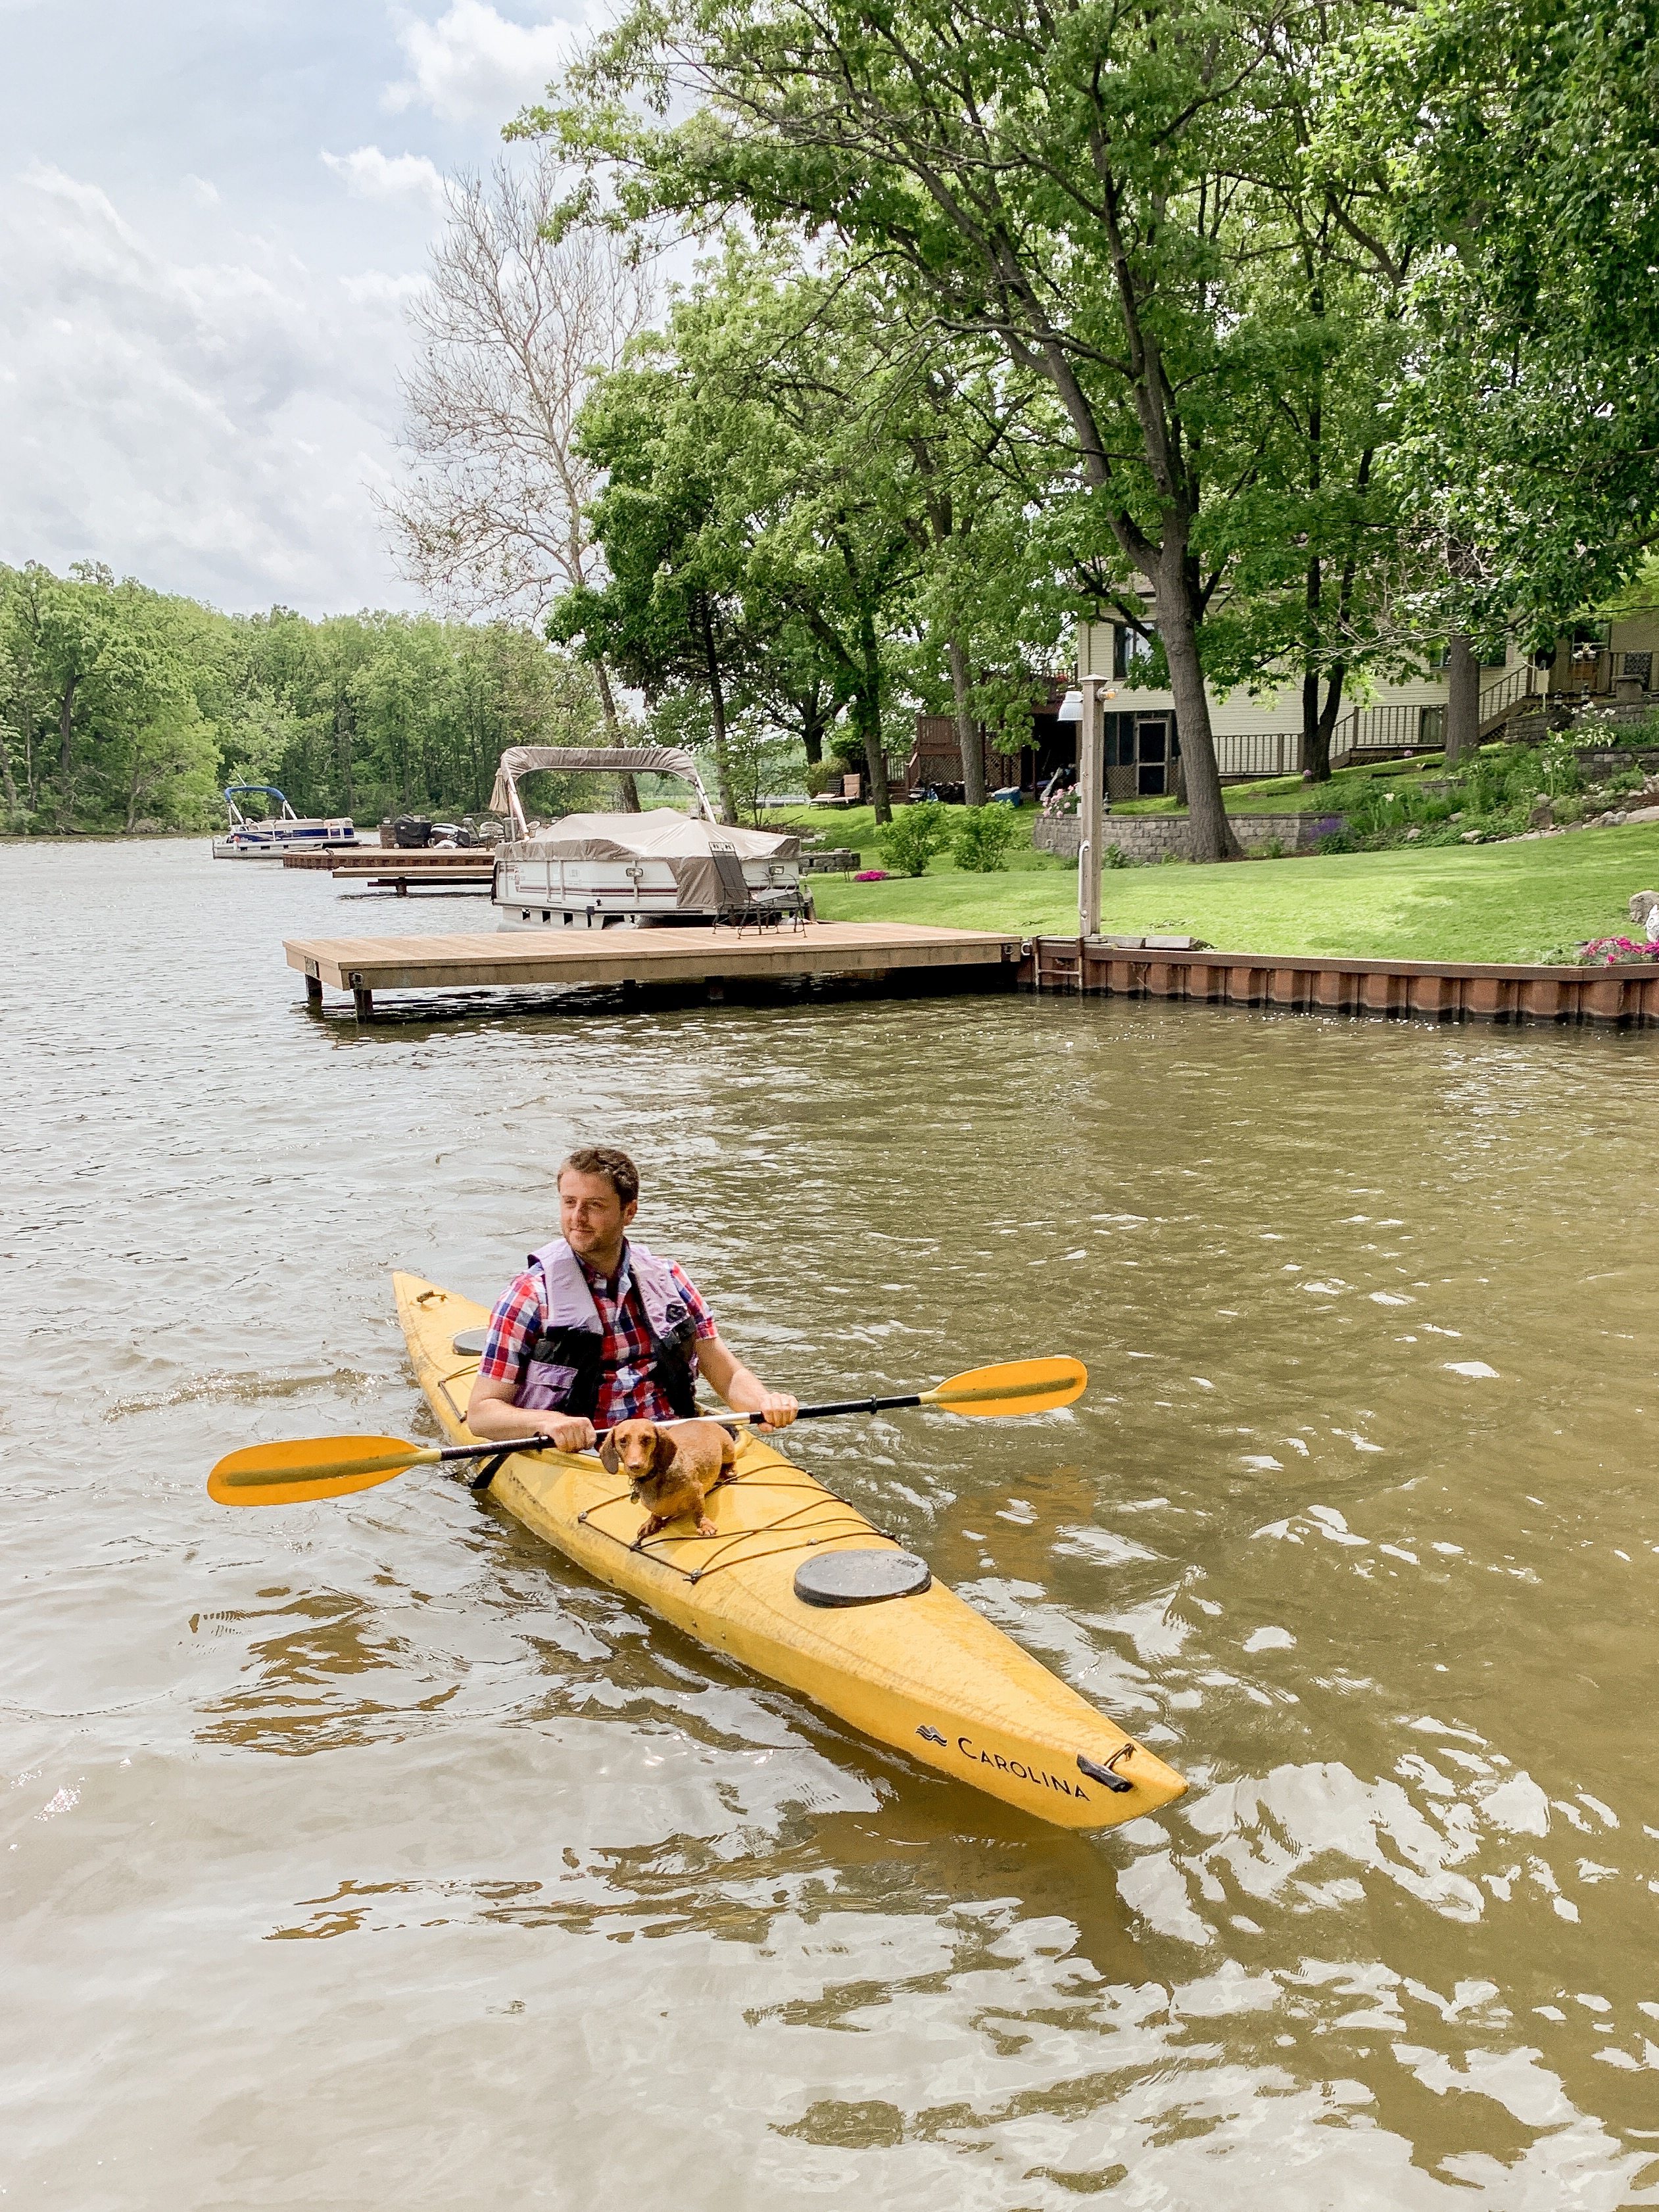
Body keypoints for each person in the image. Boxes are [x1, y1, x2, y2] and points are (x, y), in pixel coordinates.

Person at [466, 1145, 799, 1453]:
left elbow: (725, 1374)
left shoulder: (669, 1278)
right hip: (586, 1453)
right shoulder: (529, 1295)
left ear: (629, 1212)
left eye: (594, 1205)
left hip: (668, 1444)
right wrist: (546, 1422)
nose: (577, 1218)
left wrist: (766, 1403)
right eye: (569, 1202)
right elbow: (483, 1415)